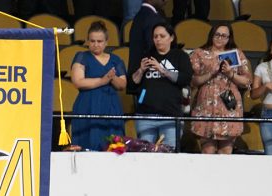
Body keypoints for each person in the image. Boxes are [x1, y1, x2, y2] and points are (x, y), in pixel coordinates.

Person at [190, 24, 252, 154]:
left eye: (224, 36)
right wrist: (210, 73)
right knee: (208, 150)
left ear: (229, 38)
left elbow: (247, 81)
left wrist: (231, 74)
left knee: (226, 150)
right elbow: (192, 81)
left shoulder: (237, 53)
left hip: (229, 104)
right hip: (206, 105)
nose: (220, 38)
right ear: (211, 35)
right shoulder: (199, 53)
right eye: (217, 34)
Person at [130, 22, 192, 149]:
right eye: (155, 36)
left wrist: (162, 70)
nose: (158, 39)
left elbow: (185, 79)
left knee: (169, 156)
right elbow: (132, 83)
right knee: (144, 155)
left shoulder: (180, 56)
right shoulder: (146, 56)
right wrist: (141, 70)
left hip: (171, 115)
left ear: (171, 37)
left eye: (162, 36)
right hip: (145, 115)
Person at [70, 21, 127, 150]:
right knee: (87, 143)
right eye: (92, 41)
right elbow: (78, 81)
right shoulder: (82, 56)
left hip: (111, 106)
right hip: (87, 105)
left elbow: (122, 84)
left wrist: (112, 78)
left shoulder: (116, 60)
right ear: (88, 41)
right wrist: (102, 80)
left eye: (99, 41)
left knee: (112, 146)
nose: (96, 45)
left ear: (106, 42)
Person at [126, 0, 164, 95]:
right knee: (145, 105)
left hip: (141, 83)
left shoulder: (140, 15)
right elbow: (154, 49)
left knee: (142, 105)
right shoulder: (152, 18)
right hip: (148, 83)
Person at [250, 34, 272, 155]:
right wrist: (265, 86)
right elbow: (253, 94)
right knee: (270, 153)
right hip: (268, 114)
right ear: (270, 51)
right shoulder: (262, 67)